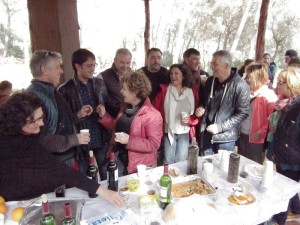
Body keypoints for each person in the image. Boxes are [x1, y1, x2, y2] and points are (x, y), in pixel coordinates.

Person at [0, 92, 123, 206]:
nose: (42, 123)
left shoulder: (27, 133)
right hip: (13, 202)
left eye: (42, 117)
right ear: (19, 120)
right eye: (36, 120)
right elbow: (60, 171)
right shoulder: (16, 143)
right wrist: (103, 192)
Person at [26, 50, 91, 167]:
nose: (61, 71)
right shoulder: (35, 97)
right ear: (44, 70)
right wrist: (74, 139)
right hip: (54, 162)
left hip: (66, 157)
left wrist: (78, 115)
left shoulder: (51, 91)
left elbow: (60, 122)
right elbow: (41, 139)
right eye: (57, 67)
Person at [97, 71, 163, 176]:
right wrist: (104, 116)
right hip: (118, 158)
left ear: (135, 91)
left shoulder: (153, 115)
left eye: (124, 88)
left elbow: (154, 144)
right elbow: (117, 128)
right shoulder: (125, 107)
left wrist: (129, 141)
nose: (121, 91)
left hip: (136, 166)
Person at [58, 49, 111, 179]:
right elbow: (62, 123)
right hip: (81, 144)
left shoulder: (99, 84)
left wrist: (103, 112)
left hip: (101, 138)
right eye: (89, 65)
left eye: (94, 65)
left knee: (107, 175)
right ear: (77, 66)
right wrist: (78, 115)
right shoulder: (65, 90)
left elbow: (109, 105)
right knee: (85, 179)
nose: (92, 69)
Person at [195, 50, 250, 154]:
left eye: (215, 64)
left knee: (221, 169)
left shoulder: (240, 86)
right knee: (205, 166)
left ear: (226, 65)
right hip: (206, 133)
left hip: (225, 139)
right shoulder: (210, 81)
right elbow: (204, 101)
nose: (211, 67)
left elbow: (243, 113)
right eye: (212, 63)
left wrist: (220, 127)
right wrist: (201, 107)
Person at [265, 67, 300, 225]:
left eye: (281, 82)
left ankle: (279, 220)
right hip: (282, 155)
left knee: (284, 192)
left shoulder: (296, 106)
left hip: (293, 159)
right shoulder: (283, 103)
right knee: (285, 189)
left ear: (292, 84)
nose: (277, 85)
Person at [153, 64, 196, 164]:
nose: (173, 76)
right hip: (169, 132)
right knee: (168, 161)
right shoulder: (164, 91)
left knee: (181, 161)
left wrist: (190, 120)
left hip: (185, 132)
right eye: (171, 73)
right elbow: (154, 111)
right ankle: (167, 179)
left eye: (176, 73)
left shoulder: (191, 92)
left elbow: (195, 114)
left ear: (183, 76)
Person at [237, 62, 277, 164]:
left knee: (252, 166)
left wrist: (261, 132)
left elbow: (273, 120)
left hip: (256, 139)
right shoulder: (248, 93)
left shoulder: (268, 96)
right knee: (240, 163)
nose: (245, 79)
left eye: (248, 76)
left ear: (257, 78)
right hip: (242, 134)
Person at [98, 48, 132, 118]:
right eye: (122, 62)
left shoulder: (134, 76)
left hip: (131, 118)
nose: (125, 66)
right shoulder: (102, 77)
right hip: (111, 120)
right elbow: (101, 101)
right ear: (115, 60)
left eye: (128, 63)